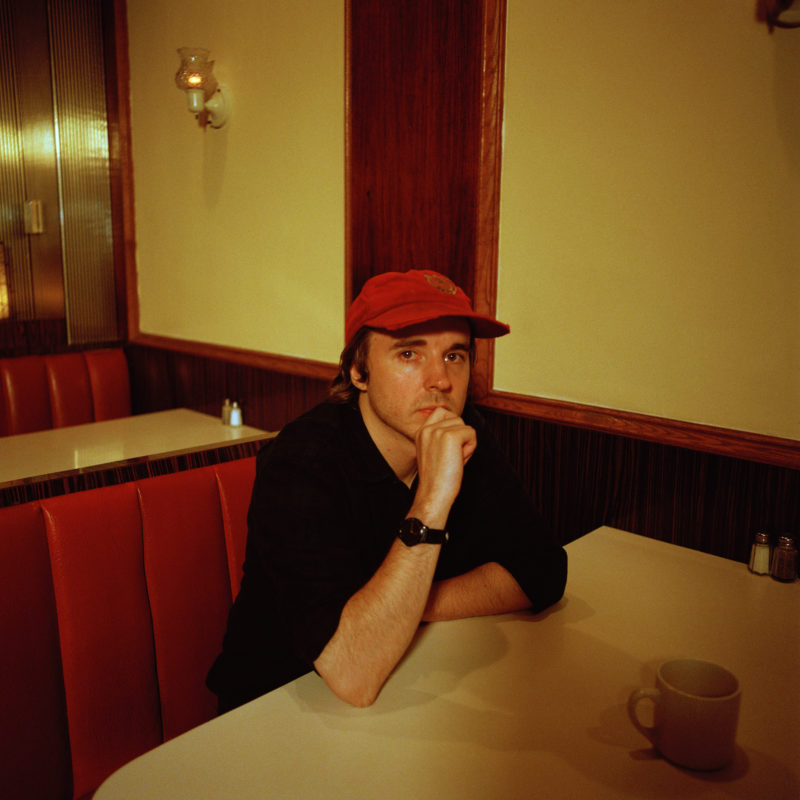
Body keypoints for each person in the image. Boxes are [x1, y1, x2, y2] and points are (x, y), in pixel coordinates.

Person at [206, 269, 567, 710]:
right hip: (271, 709)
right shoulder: (301, 461)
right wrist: (432, 499)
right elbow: (352, 673)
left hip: (403, 697)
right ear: (359, 371)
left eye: (455, 355)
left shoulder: (464, 430)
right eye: (409, 353)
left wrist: (408, 608)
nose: (441, 380)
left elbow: (543, 570)